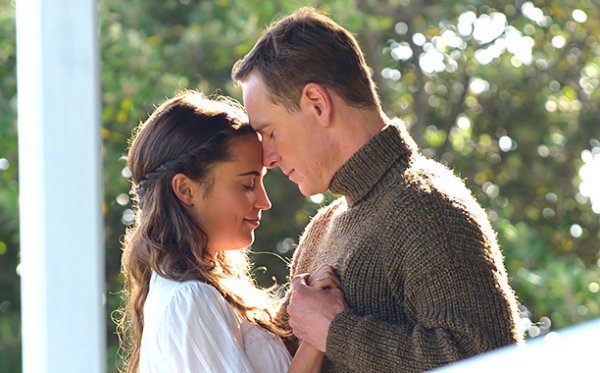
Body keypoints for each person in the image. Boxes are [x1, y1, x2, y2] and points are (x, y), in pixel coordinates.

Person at [231, 7, 523, 373]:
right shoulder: (324, 228)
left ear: (317, 104)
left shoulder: (426, 207)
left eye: (270, 132)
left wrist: (336, 332)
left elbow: (491, 360)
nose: (267, 157)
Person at [116, 90, 329, 373]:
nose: (265, 201)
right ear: (186, 189)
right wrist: (318, 337)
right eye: (247, 185)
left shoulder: (192, 294)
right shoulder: (189, 300)